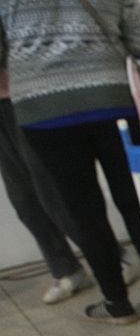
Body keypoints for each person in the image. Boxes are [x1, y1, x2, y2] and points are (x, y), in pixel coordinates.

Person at [0, 0, 140, 324]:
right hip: (112, 98)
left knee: (83, 209)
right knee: (135, 199)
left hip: (44, 110)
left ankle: (117, 303)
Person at [0, 69, 92, 305]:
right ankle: (65, 269)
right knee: (23, 199)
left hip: (23, 96)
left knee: (52, 189)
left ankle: (110, 256)